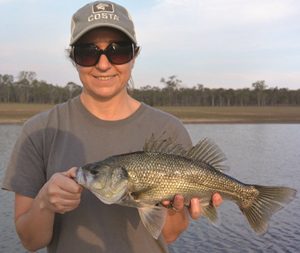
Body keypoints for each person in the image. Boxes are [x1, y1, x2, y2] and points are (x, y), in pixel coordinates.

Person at [2, 1, 222, 252]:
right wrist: (44, 203)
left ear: (134, 56)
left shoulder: (168, 129)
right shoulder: (39, 131)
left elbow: (169, 235)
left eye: (118, 51)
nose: (103, 64)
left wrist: (173, 208)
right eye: (88, 52)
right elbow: (30, 242)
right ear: (73, 58)